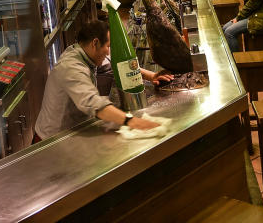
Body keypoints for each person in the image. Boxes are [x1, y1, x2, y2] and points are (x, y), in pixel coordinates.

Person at [34, 20, 173, 140]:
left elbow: (116, 64)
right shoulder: (71, 68)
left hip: (74, 131)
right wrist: (133, 122)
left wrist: (151, 76)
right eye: (107, 46)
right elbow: (93, 103)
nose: (108, 51)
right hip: (52, 140)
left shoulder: (85, 53)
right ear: (95, 43)